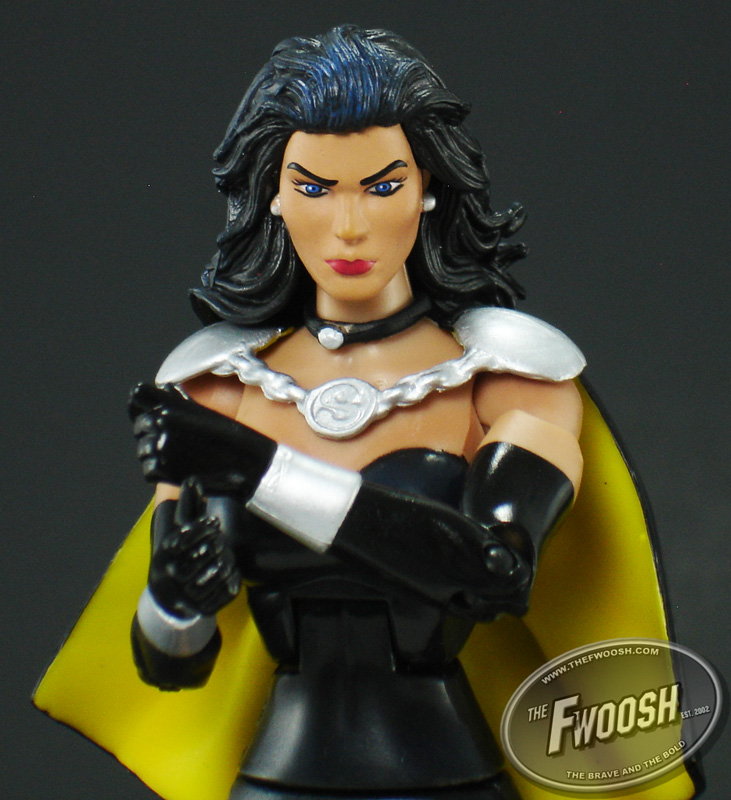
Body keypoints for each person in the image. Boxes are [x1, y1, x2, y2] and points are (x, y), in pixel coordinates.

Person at [34, 24, 700, 800]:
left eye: (381, 187)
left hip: (448, 775)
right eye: (314, 188)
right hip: (274, 776)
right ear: (274, 195)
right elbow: (168, 664)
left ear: (426, 187)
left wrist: (258, 468)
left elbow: (492, 571)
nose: (348, 226)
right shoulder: (220, 385)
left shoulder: (504, 376)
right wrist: (176, 604)